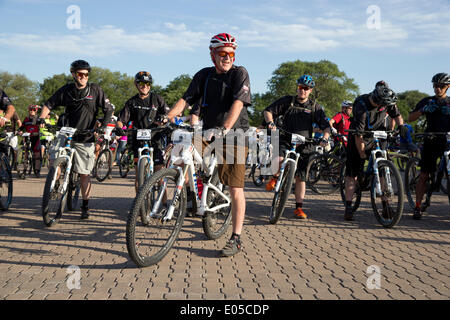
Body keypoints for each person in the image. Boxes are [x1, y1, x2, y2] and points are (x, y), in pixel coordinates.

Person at [167, 33, 251, 257]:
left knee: (235, 188)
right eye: (223, 53)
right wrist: (168, 116)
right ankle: (193, 193)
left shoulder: (239, 73)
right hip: (208, 132)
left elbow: (238, 103)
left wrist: (224, 128)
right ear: (212, 55)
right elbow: (186, 100)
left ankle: (236, 238)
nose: (228, 58)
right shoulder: (203, 75)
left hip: (234, 134)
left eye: (231, 53)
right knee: (179, 152)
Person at [38, 59, 114, 219]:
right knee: (54, 159)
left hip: (85, 136)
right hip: (66, 133)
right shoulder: (66, 90)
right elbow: (49, 104)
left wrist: (103, 126)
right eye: (80, 74)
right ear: (73, 74)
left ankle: (85, 206)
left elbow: (109, 109)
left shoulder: (95, 90)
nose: (83, 77)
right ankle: (55, 184)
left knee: (84, 174)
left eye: (86, 74)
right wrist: (42, 118)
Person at [264, 74, 331, 220]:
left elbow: (326, 127)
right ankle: (275, 177)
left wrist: (325, 139)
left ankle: (298, 208)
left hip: (305, 144)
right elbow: (268, 111)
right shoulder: (288, 101)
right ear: (297, 87)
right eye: (301, 87)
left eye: (306, 88)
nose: (303, 91)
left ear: (310, 90)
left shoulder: (315, 107)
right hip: (286, 138)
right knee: (280, 158)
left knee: (301, 178)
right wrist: (270, 123)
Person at [343, 83, 408, 221]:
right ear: (378, 101)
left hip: (378, 135)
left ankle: (386, 205)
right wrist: (362, 153)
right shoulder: (361, 104)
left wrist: (401, 125)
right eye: (384, 106)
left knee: (383, 170)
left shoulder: (387, 100)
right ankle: (348, 207)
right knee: (352, 173)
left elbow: (397, 115)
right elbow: (358, 135)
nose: (386, 108)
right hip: (359, 135)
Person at [116, 71, 170, 192]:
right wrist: (119, 127)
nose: (144, 86)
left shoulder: (157, 99)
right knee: (138, 175)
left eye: (147, 83)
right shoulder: (131, 102)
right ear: (136, 84)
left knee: (159, 173)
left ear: (150, 85)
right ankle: (139, 204)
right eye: (141, 83)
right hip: (137, 139)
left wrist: (165, 118)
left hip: (155, 138)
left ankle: (164, 203)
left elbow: (167, 114)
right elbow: (121, 119)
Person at [407, 72, 450, 220]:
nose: (438, 89)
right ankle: (418, 206)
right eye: (435, 86)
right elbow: (410, 118)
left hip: (447, 141)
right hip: (431, 140)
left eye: (441, 86)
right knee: (424, 175)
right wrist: (422, 110)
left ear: (447, 87)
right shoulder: (427, 100)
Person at [20, 105, 42, 176]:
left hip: (36, 137)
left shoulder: (38, 118)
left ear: (36, 111)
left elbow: (43, 124)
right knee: (26, 153)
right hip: (27, 137)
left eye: (34, 110)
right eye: (30, 110)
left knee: (36, 154)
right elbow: (22, 127)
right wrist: (18, 131)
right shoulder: (26, 119)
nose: (32, 111)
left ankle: (37, 170)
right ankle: (24, 169)